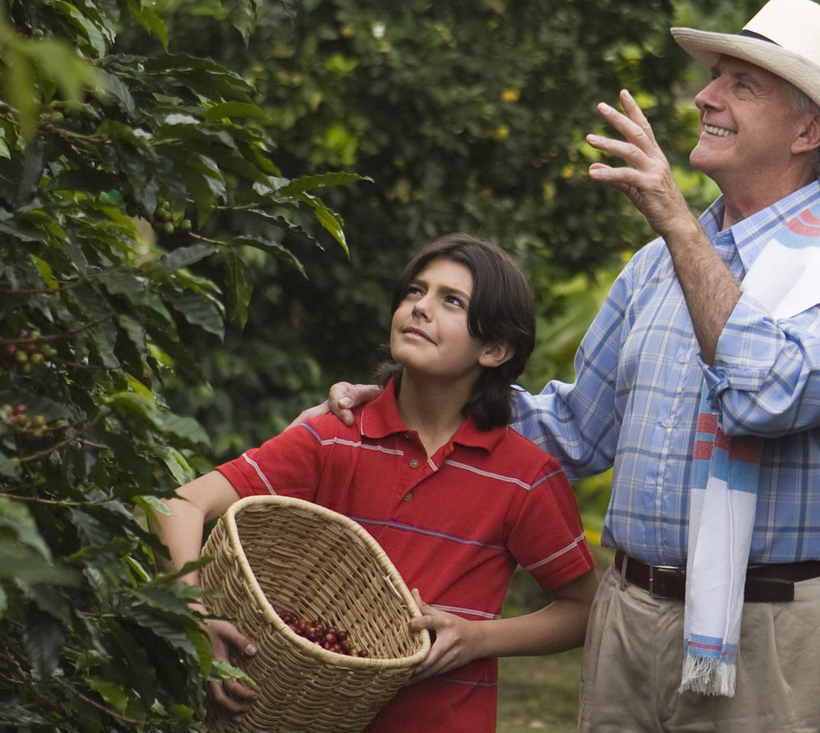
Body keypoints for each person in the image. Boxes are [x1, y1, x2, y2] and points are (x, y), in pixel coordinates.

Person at [317, 0, 820, 733]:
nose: (705, 96)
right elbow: (578, 429)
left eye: (743, 84)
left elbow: (767, 396)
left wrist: (677, 220)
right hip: (628, 614)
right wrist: (413, 405)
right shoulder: (655, 268)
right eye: (716, 76)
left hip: (773, 632)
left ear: (810, 130)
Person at [157, 234, 600, 733]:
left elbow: (584, 608)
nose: (420, 308)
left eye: (450, 301)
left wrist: (479, 638)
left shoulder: (524, 476)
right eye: (415, 291)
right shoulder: (333, 437)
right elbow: (178, 504)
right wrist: (195, 619)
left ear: (496, 349)